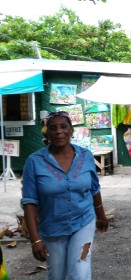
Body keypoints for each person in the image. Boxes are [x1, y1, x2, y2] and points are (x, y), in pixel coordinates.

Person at [21, 111, 109, 280]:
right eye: (53, 128)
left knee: (81, 269)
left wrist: (101, 216)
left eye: (63, 126)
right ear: (47, 132)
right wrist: (35, 240)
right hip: (52, 228)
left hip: (84, 223)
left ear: (71, 130)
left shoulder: (85, 156)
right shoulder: (35, 161)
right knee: (57, 274)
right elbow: (30, 202)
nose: (59, 131)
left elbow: (94, 189)